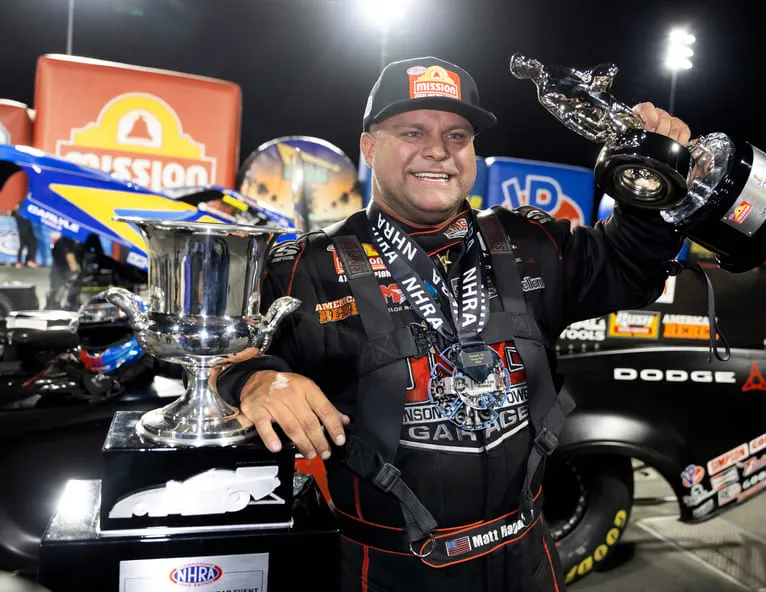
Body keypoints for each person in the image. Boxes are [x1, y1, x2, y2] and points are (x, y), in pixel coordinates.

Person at [217, 56, 688, 592]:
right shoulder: (304, 267)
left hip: (528, 561)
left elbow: (632, 265)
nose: (439, 150)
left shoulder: (532, 243)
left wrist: (649, 173)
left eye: (457, 135)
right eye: (413, 131)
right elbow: (220, 356)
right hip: (386, 571)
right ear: (370, 148)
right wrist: (257, 380)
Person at [45, 235, 84, 310]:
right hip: (63, 276)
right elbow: (71, 262)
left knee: (57, 297)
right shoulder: (66, 242)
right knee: (58, 299)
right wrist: (78, 273)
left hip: (60, 274)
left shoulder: (66, 241)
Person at [11, 203, 37, 268]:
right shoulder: (25, 214)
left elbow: (13, 214)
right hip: (28, 232)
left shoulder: (18, 214)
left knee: (22, 247)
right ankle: (30, 261)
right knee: (32, 246)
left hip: (21, 232)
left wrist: (15, 209)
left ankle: (19, 262)